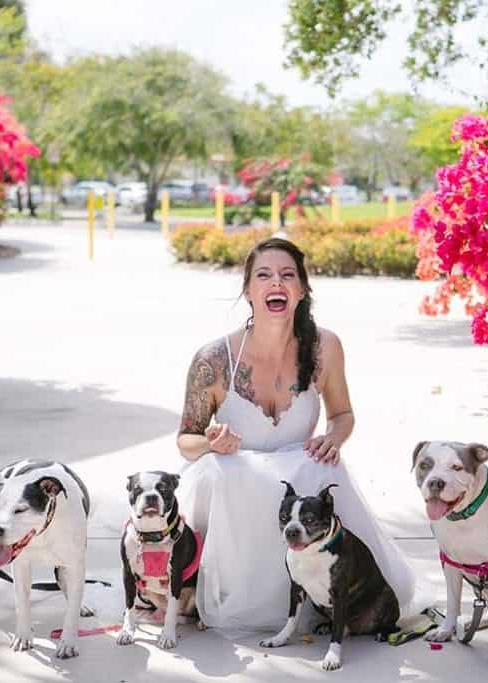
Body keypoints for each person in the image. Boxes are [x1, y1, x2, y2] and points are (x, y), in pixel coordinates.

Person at [176, 237, 417, 634]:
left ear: (302, 290)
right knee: (220, 470)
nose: (277, 283)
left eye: (288, 275)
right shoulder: (214, 359)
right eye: (264, 275)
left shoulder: (325, 346)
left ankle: (324, 593)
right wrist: (211, 442)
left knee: (320, 468)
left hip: (300, 476)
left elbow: (342, 414)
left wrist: (333, 438)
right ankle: (219, 589)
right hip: (237, 481)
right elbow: (186, 441)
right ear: (249, 291)